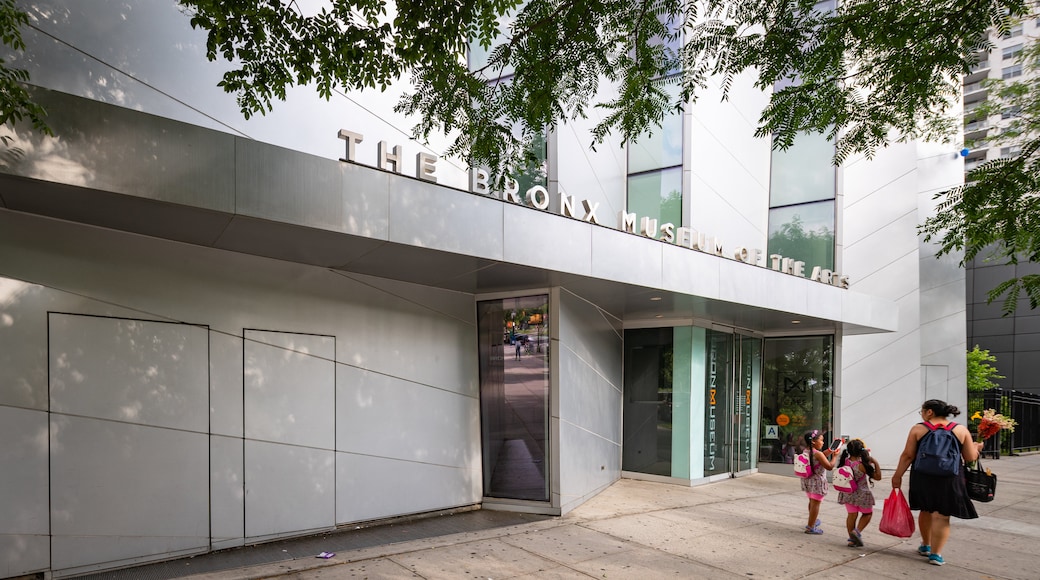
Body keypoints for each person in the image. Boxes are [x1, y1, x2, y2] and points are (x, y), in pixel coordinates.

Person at [891, 399, 982, 566]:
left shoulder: (918, 429)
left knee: (926, 509)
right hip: (950, 478)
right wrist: (977, 448)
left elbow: (908, 455)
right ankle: (936, 554)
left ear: (930, 412)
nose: (922, 415)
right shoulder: (961, 430)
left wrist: (897, 475)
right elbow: (970, 458)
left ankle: (925, 545)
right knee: (942, 516)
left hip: (922, 476)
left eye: (922, 412)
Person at [836, 438, 882, 547]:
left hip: (848, 493)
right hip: (862, 494)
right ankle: (856, 532)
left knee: (851, 516)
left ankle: (852, 540)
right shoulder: (862, 465)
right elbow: (878, 477)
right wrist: (875, 462)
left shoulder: (844, 462)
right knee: (867, 514)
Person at [801, 429, 838, 534]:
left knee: (811, 502)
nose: (823, 442)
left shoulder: (806, 450)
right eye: (821, 440)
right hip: (817, 482)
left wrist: (830, 450)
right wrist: (835, 456)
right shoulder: (818, 454)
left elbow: (820, 456)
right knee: (816, 504)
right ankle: (811, 526)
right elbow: (829, 466)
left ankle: (812, 520)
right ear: (813, 441)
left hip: (808, 481)